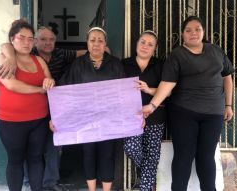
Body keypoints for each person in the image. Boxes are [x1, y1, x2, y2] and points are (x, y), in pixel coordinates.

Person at [142, 16, 234, 191]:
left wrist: (228, 105)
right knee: (184, 156)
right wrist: (152, 105)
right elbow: (168, 83)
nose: (193, 33)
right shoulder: (177, 55)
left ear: (203, 32)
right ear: (183, 34)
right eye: (189, 30)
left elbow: (227, 77)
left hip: (213, 114)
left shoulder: (216, 51)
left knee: (206, 157)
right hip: (184, 112)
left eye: (197, 29)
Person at [0, 26, 87, 191]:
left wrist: (102, 47)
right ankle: (26, 182)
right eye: (43, 39)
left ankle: (49, 183)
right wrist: (10, 56)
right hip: (20, 116)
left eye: (51, 39)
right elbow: (6, 46)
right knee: (21, 155)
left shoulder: (60, 54)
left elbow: (82, 53)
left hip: (54, 108)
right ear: (36, 42)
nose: (48, 43)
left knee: (52, 147)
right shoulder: (27, 51)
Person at [57, 27, 125, 191]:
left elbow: (124, 91)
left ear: (105, 44)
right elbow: (65, 89)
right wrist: (58, 117)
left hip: (109, 120)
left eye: (100, 40)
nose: (96, 44)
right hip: (85, 119)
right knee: (88, 154)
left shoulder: (115, 63)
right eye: (92, 40)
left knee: (107, 155)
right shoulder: (78, 64)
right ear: (87, 43)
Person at [0, 19, 55, 191]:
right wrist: (39, 90)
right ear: (12, 39)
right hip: (11, 121)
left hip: (39, 120)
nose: (27, 42)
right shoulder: (2, 58)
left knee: (36, 158)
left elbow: (48, 80)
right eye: (22, 38)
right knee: (15, 160)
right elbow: (12, 85)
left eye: (31, 38)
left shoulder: (38, 60)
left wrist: (49, 82)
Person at [122, 30, 166, 191]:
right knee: (132, 148)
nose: (145, 46)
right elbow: (117, 92)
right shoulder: (124, 64)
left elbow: (168, 91)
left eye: (150, 44)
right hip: (131, 117)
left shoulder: (161, 65)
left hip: (156, 116)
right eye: (143, 42)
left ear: (154, 48)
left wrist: (148, 90)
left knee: (152, 156)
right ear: (136, 44)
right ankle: (145, 168)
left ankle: (146, 185)